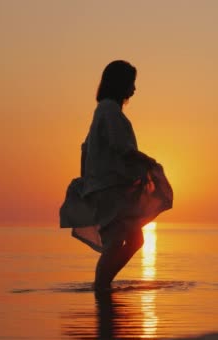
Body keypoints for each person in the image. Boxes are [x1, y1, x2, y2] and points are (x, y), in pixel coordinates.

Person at [59, 60, 173, 291]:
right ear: (120, 83)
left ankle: (103, 288)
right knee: (117, 243)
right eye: (131, 83)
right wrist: (148, 161)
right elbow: (121, 147)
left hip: (107, 187)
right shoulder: (109, 110)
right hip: (108, 190)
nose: (134, 89)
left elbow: (86, 148)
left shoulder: (105, 110)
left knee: (133, 240)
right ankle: (101, 288)